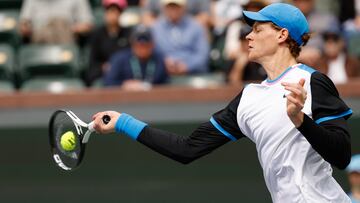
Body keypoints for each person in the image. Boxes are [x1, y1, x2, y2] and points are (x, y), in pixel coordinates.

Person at [92, 3, 352, 202]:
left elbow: (341, 156)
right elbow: (187, 149)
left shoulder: (312, 81)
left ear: (282, 35)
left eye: (257, 29)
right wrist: (123, 122)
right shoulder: (248, 98)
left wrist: (300, 121)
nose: (248, 36)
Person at [151, 0, 210, 75]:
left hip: (192, 73)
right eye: (170, 7)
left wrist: (187, 65)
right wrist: (164, 63)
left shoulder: (196, 26)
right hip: (163, 74)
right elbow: (152, 52)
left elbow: (202, 55)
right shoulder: (156, 28)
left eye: (176, 7)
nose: (173, 10)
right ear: (164, 8)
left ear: (184, 7)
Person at [103, 25, 169, 90]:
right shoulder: (119, 59)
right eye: (138, 44)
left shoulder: (159, 59)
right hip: (125, 98)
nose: (142, 46)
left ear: (152, 44)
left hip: (154, 98)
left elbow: (167, 85)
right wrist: (124, 85)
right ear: (132, 44)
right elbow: (108, 83)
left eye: (146, 44)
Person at [85, 0, 131, 86]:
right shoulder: (97, 35)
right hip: (103, 75)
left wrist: (118, 67)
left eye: (116, 11)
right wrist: (103, 67)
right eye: (110, 11)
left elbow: (131, 57)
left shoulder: (128, 33)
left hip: (124, 75)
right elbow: (92, 63)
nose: (113, 15)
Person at [19, 0, 93, 44]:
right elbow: (24, 24)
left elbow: (87, 25)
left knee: (60, 24)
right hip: (39, 40)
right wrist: (27, 28)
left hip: (66, 40)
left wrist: (66, 29)